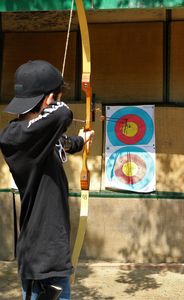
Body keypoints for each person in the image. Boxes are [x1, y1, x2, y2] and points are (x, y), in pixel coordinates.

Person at [0, 60, 94, 300]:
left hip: (49, 254)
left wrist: (80, 141)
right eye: (57, 95)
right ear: (49, 98)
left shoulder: (34, 137)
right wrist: (55, 99)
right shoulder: (15, 136)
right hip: (41, 257)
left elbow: (58, 143)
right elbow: (62, 114)